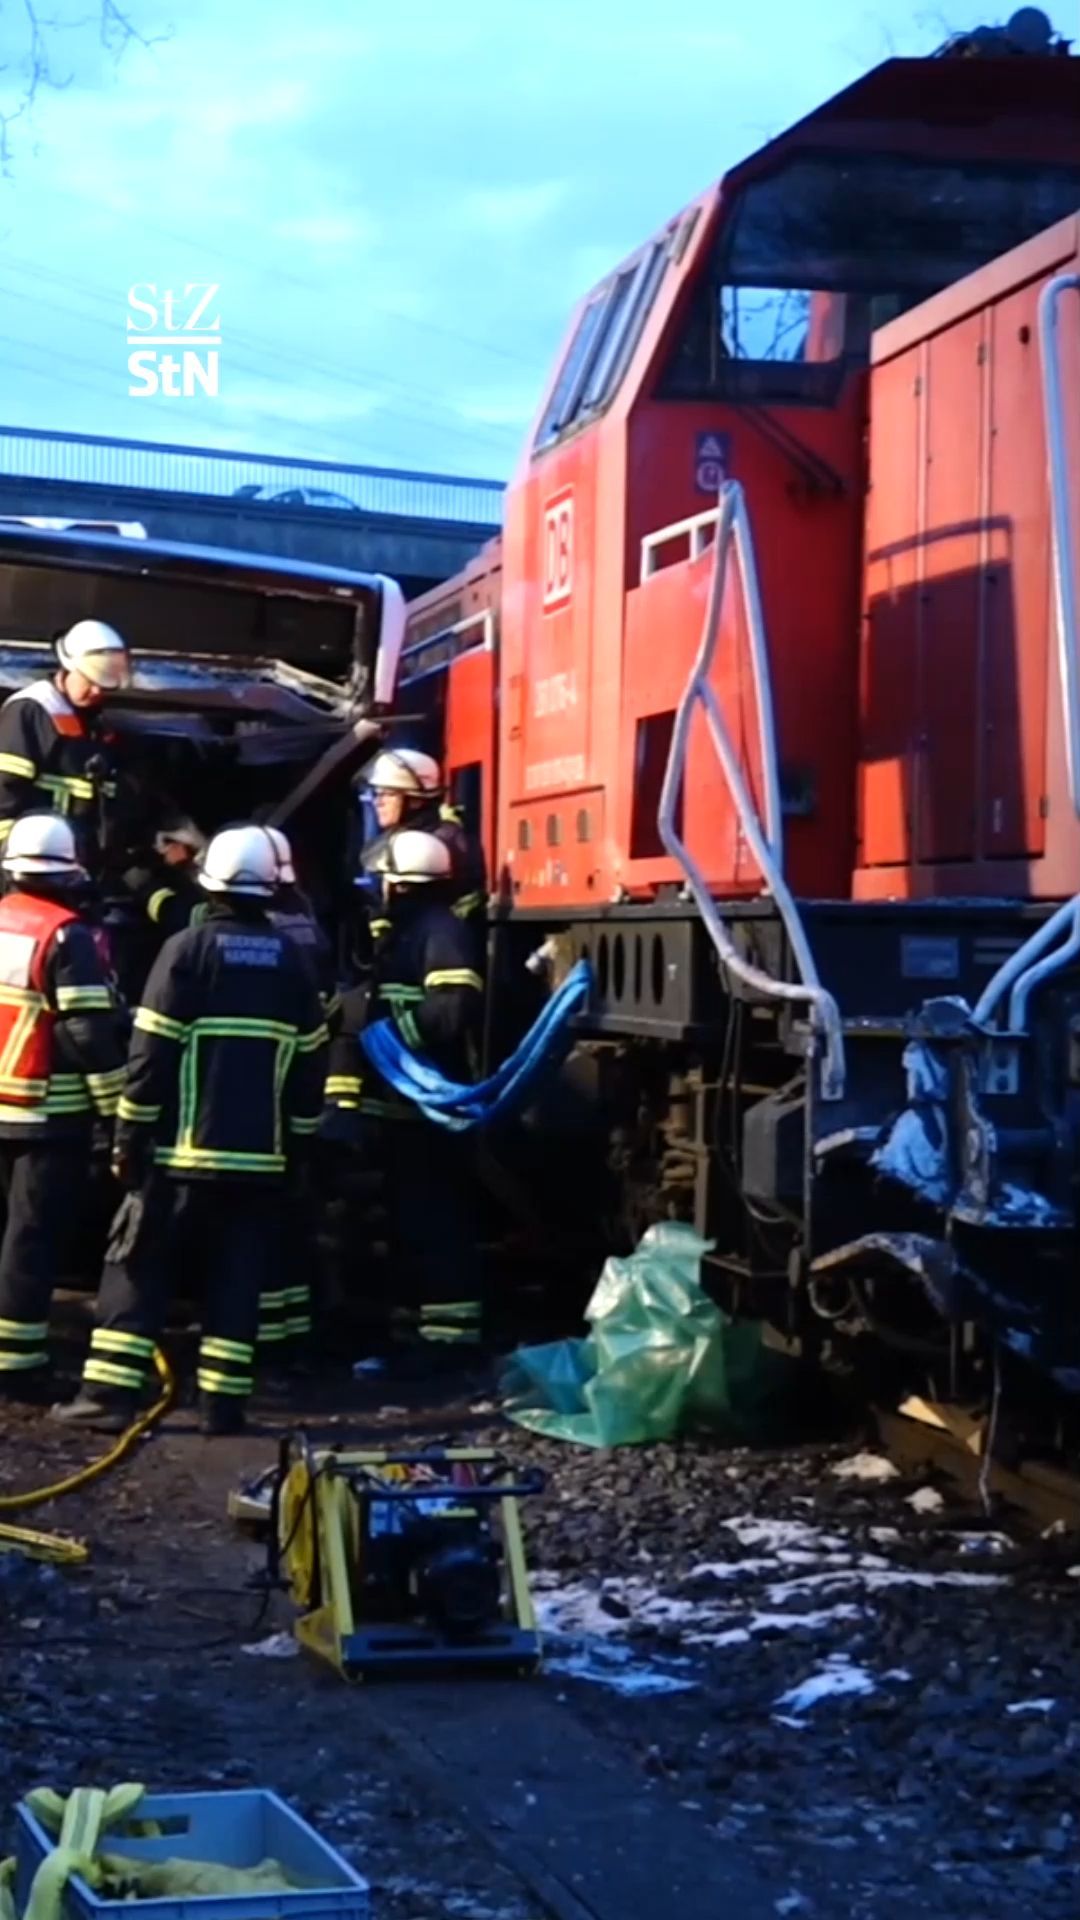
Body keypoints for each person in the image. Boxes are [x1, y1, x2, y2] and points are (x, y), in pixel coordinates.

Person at [57, 824, 328, 1435]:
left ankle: (108, 1396)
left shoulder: (185, 950)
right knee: (238, 1278)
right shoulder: (294, 962)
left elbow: (151, 1053)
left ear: (210, 884)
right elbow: (311, 1065)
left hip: (180, 1155)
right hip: (261, 1162)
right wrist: (301, 1146)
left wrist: (128, 1134)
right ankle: (222, 1407)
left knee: (138, 1265)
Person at [325, 828, 484, 1371]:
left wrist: (390, 1040)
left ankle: (449, 1339)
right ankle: (413, 1330)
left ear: (402, 883)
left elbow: (453, 1007)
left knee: (431, 1218)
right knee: (403, 1221)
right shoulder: (408, 930)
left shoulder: (440, 931)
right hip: (398, 1110)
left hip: (424, 1109)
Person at [0, 813, 126, 1401]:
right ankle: (18, 1363)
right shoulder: (66, 935)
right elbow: (86, 1035)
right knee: (30, 1238)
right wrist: (116, 1110)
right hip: (46, 1114)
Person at [0, 621, 132, 870]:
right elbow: (4, 797)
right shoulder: (32, 711)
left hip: (71, 864)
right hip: (33, 865)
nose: (96, 691)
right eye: (89, 680)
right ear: (68, 667)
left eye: (103, 685)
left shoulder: (94, 723)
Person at [359, 750, 486, 945]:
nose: (378, 802)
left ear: (415, 800)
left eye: (388, 794)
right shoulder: (396, 838)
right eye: (377, 793)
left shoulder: (442, 842)